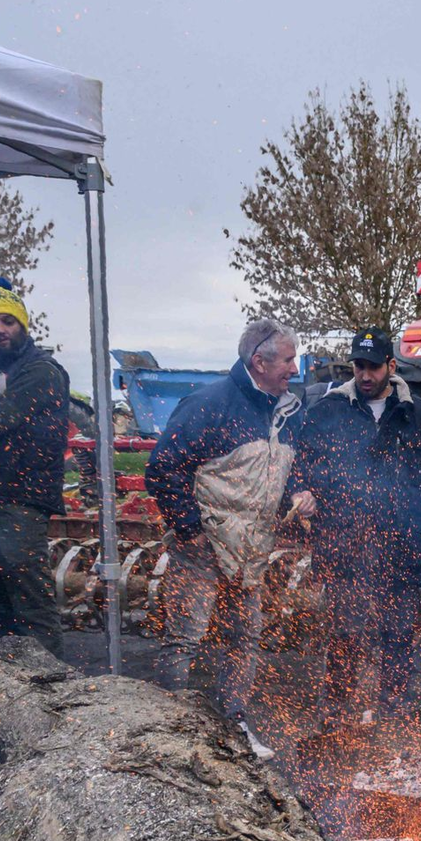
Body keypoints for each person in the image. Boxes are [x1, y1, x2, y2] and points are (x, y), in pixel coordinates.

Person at [146, 318, 314, 758]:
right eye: (288, 359)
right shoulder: (209, 404)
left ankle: (234, 723)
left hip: (251, 552)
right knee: (185, 636)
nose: (294, 369)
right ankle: (169, 734)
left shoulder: (286, 411)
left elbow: (282, 470)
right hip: (202, 548)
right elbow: (162, 469)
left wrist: (298, 492)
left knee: (244, 637)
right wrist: (189, 530)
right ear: (259, 362)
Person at [291, 327, 421, 728]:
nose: (365, 375)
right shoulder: (329, 410)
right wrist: (301, 489)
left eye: (373, 367)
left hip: (401, 547)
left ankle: (392, 714)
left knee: (399, 636)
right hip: (346, 547)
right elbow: (300, 460)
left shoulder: (417, 414)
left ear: (391, 366)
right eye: (359, 366)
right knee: (346, 635)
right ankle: (335, 716)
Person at [0, 278, 68, 659]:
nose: (0, 330)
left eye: (8, 321)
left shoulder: (42, 372)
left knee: (30, 601)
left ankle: (54, 689)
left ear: (23, 325)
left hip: (21, 501)